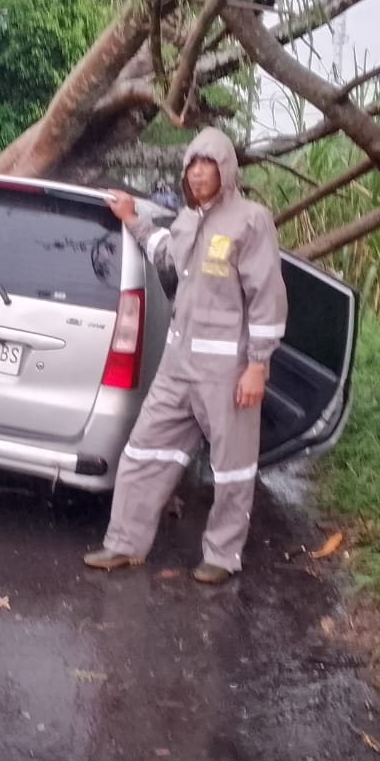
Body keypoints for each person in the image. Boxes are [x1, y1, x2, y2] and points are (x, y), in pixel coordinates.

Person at [84, 127, 287, 584]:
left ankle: (222, 555)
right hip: (178, 367)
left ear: (226, 170)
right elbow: (164, 253)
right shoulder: (188, 220)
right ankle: (124, 544)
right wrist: (132, 218)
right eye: (192, 165)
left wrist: (258, 364)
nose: (197, 174)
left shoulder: (251, 221)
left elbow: (267, 297)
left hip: (229, 371)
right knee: (142, 452)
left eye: (207, 165)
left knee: (232, 470)